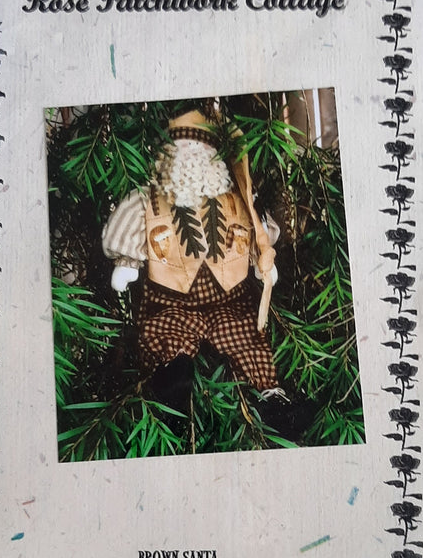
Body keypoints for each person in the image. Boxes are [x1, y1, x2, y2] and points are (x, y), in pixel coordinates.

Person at [102, 109, 310, 442]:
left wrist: (262, 261)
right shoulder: (149, 199)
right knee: (166, 333)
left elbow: (256, 230)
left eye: (199, 148)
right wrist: (127, 262)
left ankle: (271, 398)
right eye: (182, 148)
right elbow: (130, 226)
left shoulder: (237, 200)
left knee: (245, 338)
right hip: (170, 301)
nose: (191, 158)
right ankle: (172, 390)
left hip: (229, 301)